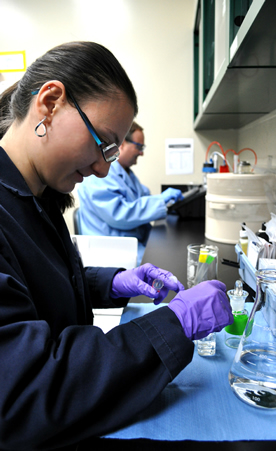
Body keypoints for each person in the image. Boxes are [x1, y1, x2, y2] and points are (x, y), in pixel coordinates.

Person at [0, 41, 233, 450]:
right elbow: (23, 391)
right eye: (102, 142)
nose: (104, 168)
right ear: (50, 103)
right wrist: (173, 326)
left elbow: (32, 283)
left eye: (112, 150)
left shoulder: (36, 194)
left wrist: (112, 282)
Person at [77, 121, 184, 264]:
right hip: (112, 252)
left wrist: (164, 200)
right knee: (164, 266)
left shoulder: (127, 174)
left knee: (170, 256)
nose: (141, 152)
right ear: (121, 144)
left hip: (129, 243)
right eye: (139, 146)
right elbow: (119, 214)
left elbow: (142, 198)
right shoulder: (99, 175)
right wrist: (160, 201)